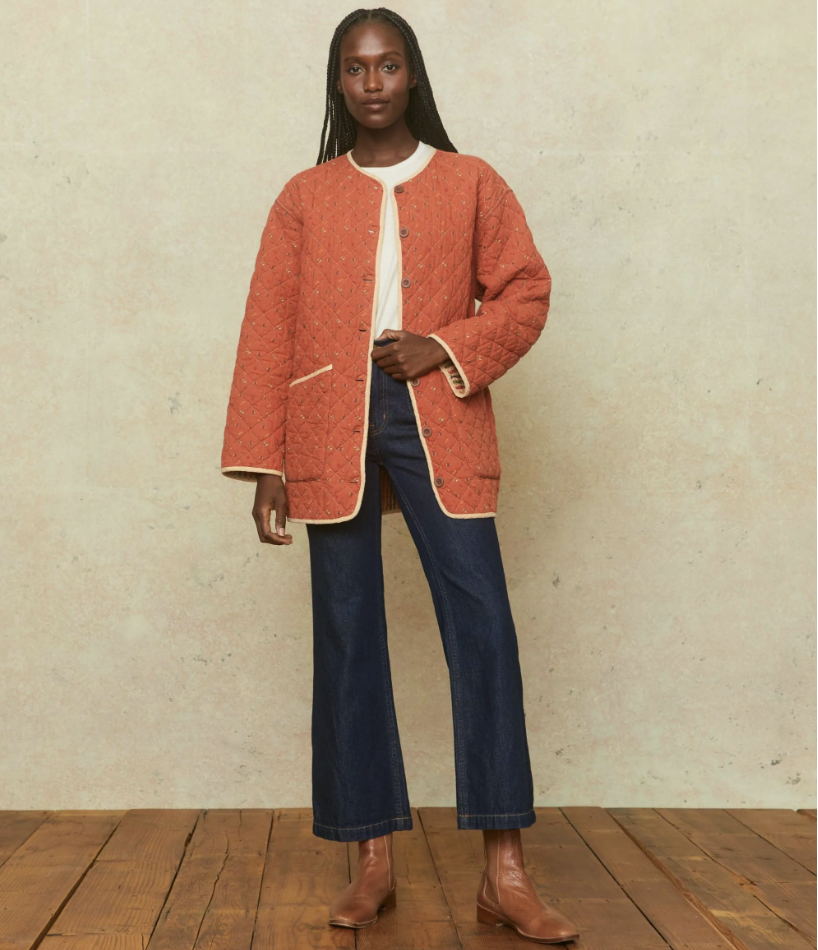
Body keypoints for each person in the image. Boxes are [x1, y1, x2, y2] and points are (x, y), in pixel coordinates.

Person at [220, 7, 579, 944]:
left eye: (387, 65)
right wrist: (267, 462)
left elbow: (526, 290)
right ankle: (370, 860)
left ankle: (504, 871)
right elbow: (268, 323)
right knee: (348, 634)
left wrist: (443, 346)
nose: (372, 82)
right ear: (338, 83)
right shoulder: (304, 196)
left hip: (438, 410)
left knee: (483, 628)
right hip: (325, 421)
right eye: (355, 68)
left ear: (413, 74)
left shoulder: (471, 181)